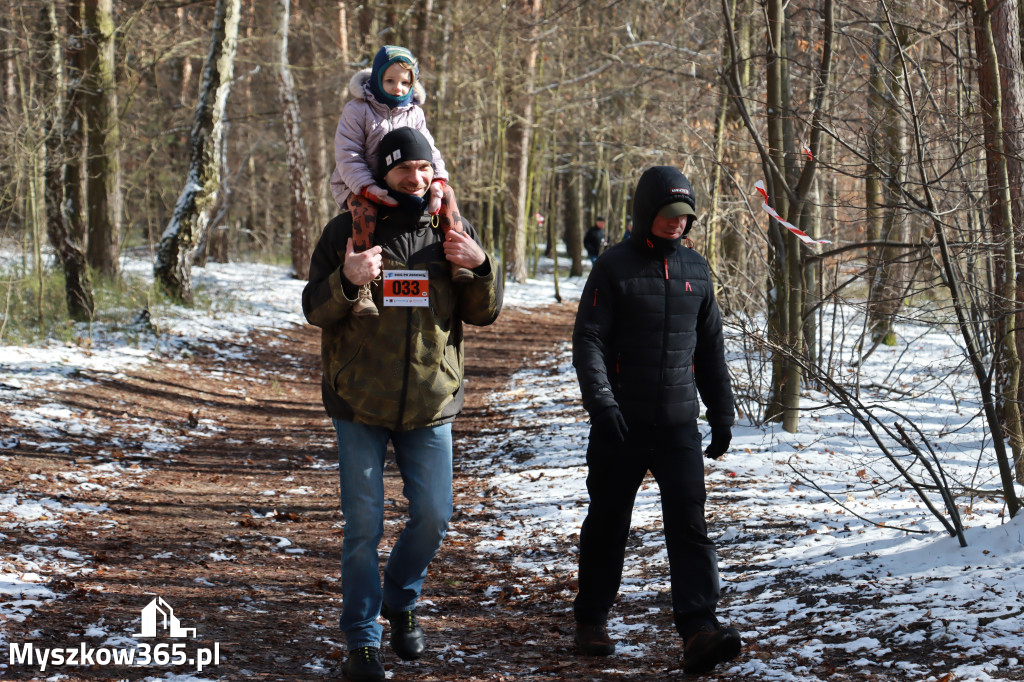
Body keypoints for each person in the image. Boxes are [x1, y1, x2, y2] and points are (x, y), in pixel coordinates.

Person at [303, 127, 503, 682]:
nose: (413, 178)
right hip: (359, 400)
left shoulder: (450, 225)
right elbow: (313, 308)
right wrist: (346, 280)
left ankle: (400, 596)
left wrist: (481, 265)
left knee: (436, 516)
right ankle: (362, 641)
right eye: (400, 169)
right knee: (364, 524)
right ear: (381, 173)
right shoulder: (348, 228)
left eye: (420, 168)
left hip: (430, 400)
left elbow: (485, 312)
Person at [571, 166, 741, 676]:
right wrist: (602, 404)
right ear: (647, 213)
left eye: (684, 216)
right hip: (620, 425)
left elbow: (710, 349)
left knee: (689, 526)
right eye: (668, 215)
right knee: (607, 524)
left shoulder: (697, 269)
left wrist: (722, 411)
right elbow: (589, 340)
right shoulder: (613, 268)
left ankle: (699, 631)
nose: (677, 224)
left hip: (677, 427)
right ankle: (592, 620)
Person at [330, 45, 471, 318]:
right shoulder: (358, 110)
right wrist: (367, 187)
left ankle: (458, 259)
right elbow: (348, 155)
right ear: (376, 79)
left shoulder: (414, 113)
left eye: (405, 82)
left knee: (448, 195)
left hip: (407, 181)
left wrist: (439, 181)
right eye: (390, 80)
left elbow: (430, 150)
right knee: (363, 211)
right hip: (360, 183)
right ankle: (364, 288)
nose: (398, 87)